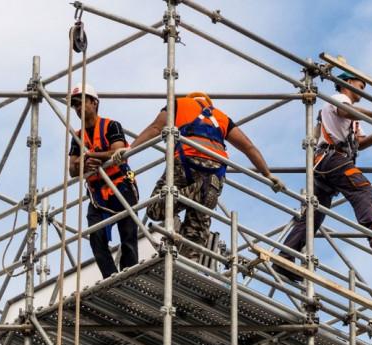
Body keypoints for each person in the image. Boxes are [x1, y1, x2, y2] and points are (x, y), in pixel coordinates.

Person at [121, 92, 284, 262]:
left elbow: (156, 128)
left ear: (191, 99)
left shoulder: (180, 104)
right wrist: (268, 174)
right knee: (197, 227)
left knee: (154, 209)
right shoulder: (222, 117)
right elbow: (248, 147)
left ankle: (202, 190)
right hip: (216, 170)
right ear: (208, 103)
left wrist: (130, 149)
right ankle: (190, 259)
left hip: (186, 161)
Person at [273, 72, 372, 282]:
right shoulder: (339, 100)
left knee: (314, 214)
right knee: (361, 186)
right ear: (346, 84)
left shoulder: (354, 118)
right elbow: (346, 111)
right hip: (331, 158)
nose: (362, 90)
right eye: (359, 85)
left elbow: (359, 142)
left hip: (328, 162)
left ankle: (285, 256)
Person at [68, 83, 139, 279]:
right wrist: (83, 163)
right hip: (97, 193)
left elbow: (119, 153)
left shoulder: (111, 126)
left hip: (120, 186)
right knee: (96, 238)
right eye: (75, 105)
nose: (78, 108)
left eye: (81, 102)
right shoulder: (77, 137)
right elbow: (72, 170)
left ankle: (130, 276)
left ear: (94, 102)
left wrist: (93, 156)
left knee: (128, 235)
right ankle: (111, 277)